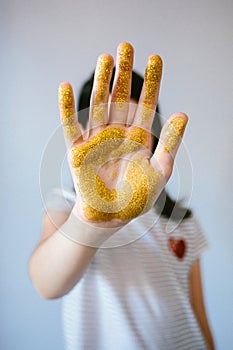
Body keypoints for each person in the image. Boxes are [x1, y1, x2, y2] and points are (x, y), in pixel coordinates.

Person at [29, 43, 214, 350]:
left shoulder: (183, 220)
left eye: (132, 126)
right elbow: (46, 283)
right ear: (84, 138)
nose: (120, 142)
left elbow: (197, 313)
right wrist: (91, 220)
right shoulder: (65, 206)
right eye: (109, 129)